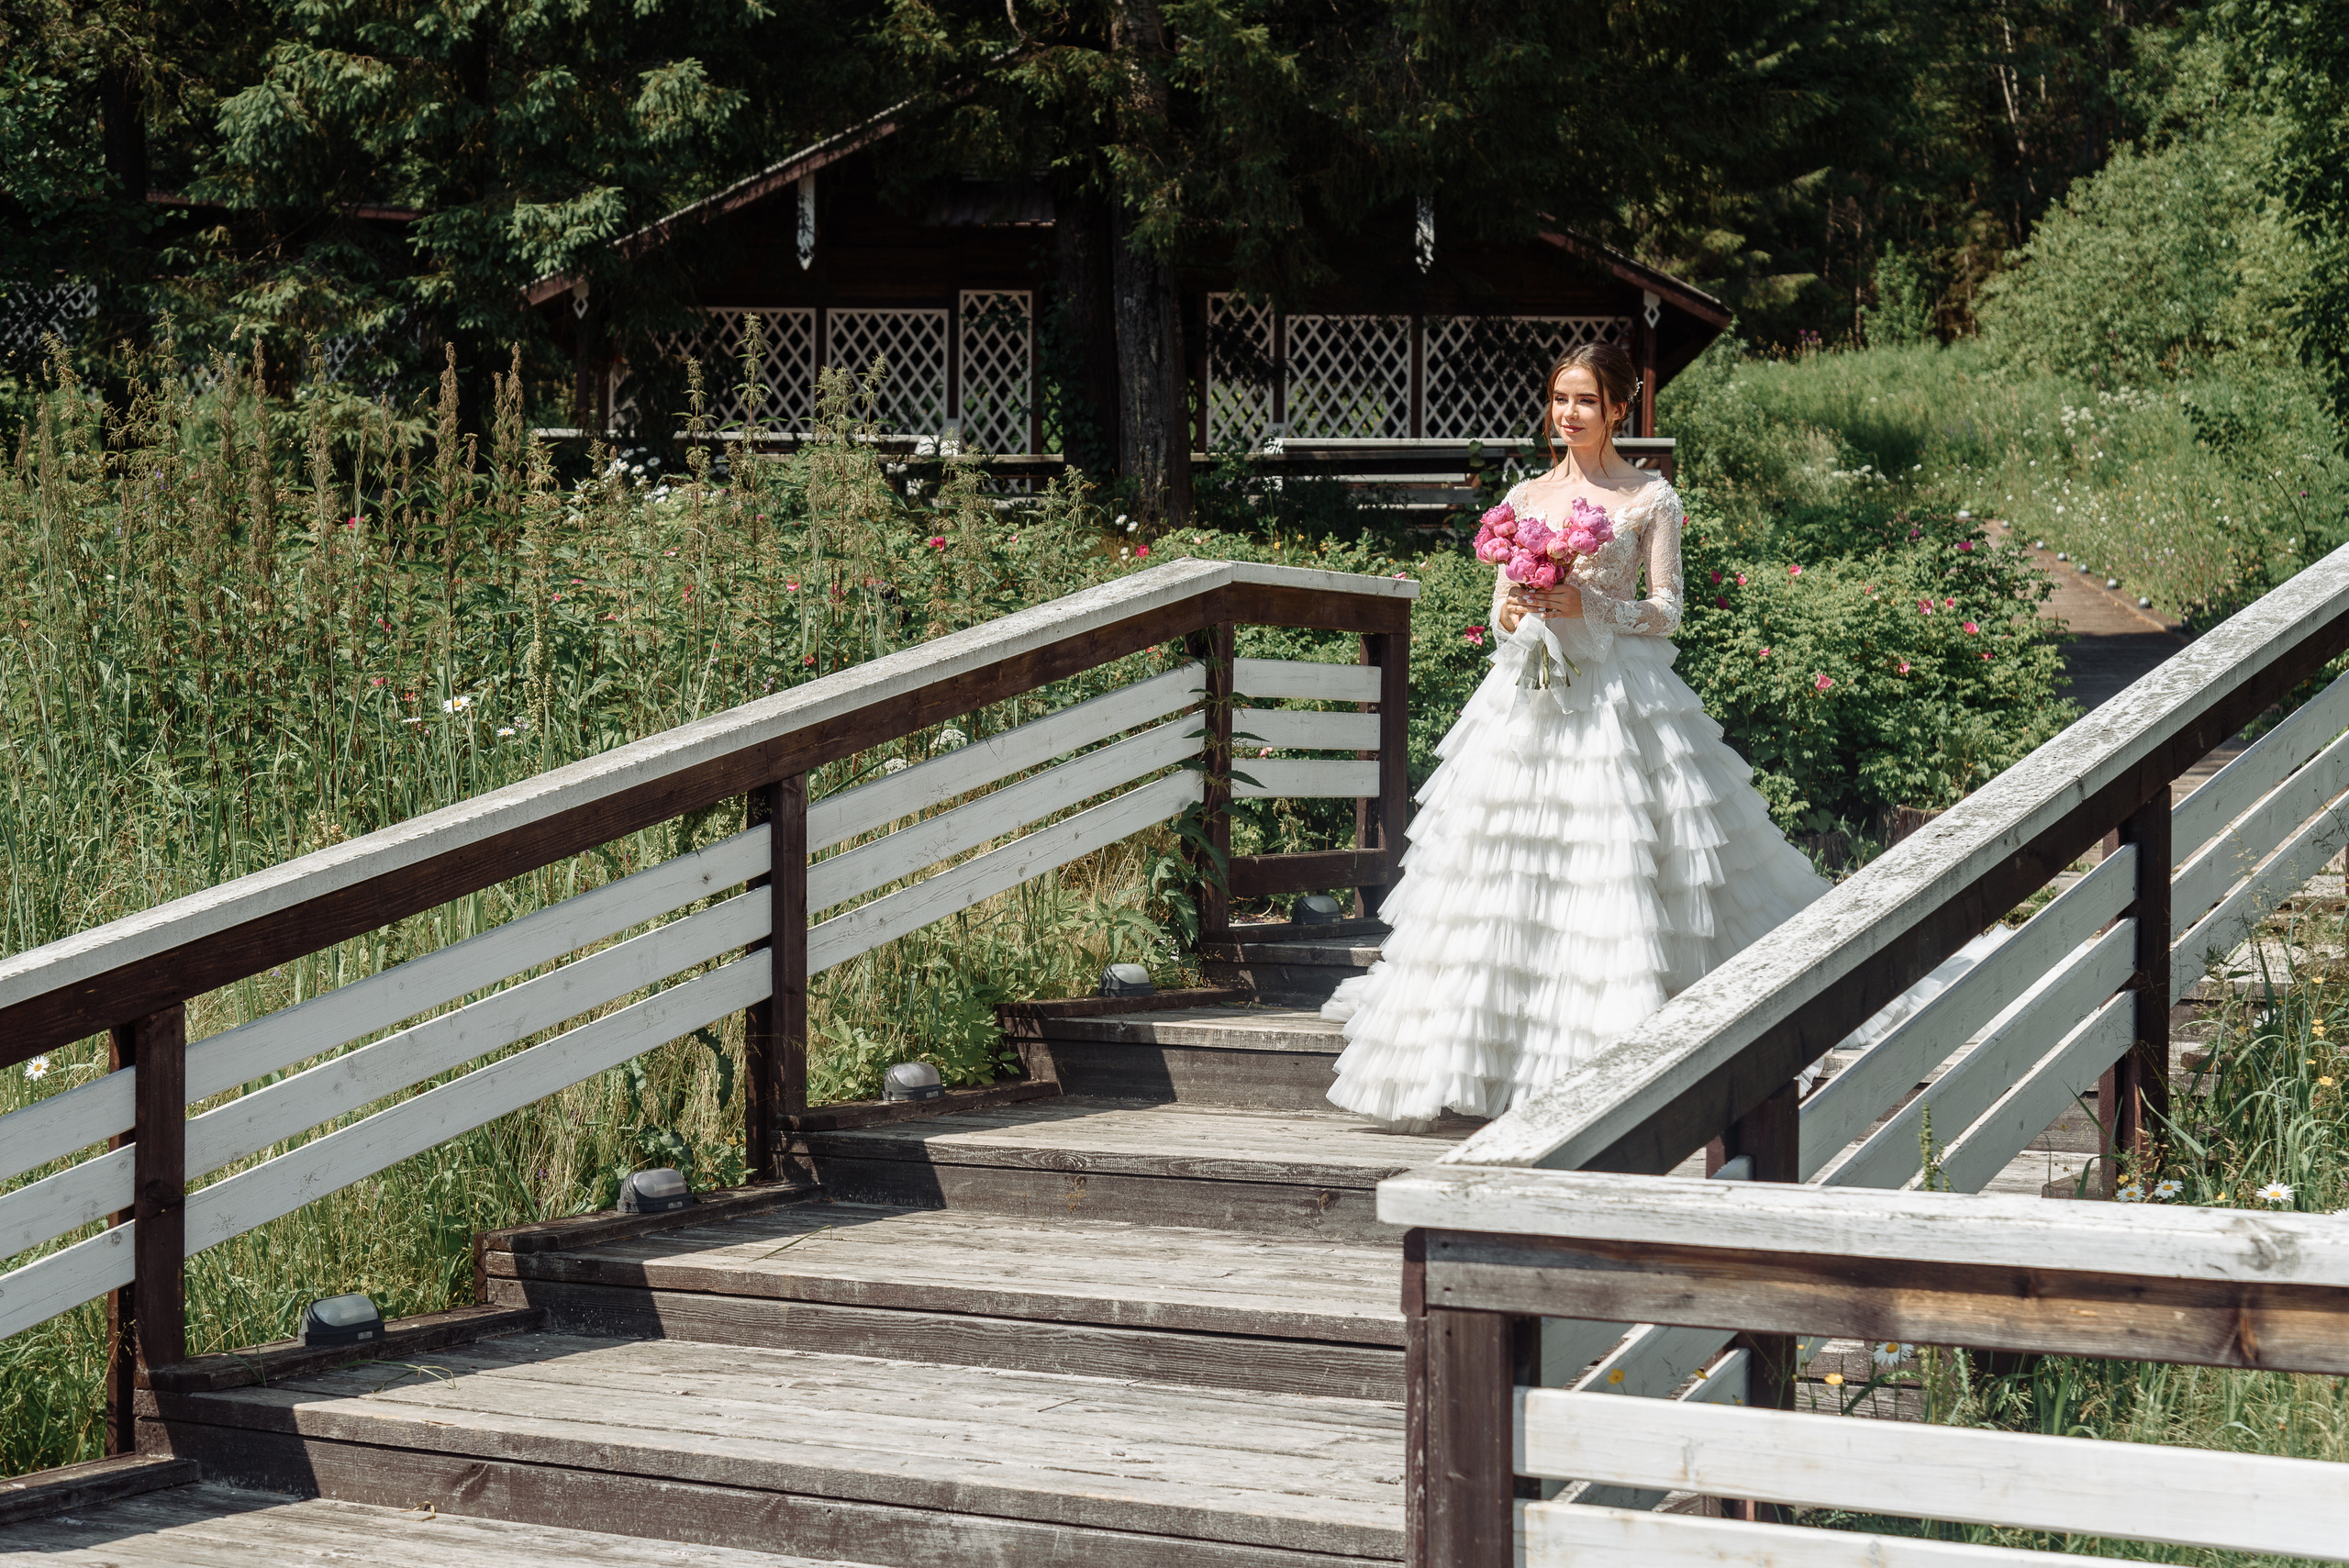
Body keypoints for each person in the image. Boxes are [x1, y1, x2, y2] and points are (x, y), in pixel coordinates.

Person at [1322, 342, 1832, 1129]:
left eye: (1587, 400)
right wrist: (1522, 607)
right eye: (1561, 399)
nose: (1569, 414)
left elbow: (1668, 611)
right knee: (1507, 871)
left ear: (1620, 408)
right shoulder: (1525, 494)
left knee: (1613, 868)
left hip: (1620, 705)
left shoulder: (1650, 498)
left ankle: (1624, 1059)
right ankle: (1492, 1052)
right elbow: (1497, 612)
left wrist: (1588, 607)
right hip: (1528, 702)